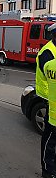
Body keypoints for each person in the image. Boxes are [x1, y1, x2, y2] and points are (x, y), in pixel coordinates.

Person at [38, 23, 56, 178]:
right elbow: (48, 75)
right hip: (48, 97)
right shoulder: (48, 52)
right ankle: (47, 169)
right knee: (49, 139)